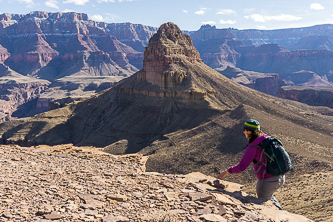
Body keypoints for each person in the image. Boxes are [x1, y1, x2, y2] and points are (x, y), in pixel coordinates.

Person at [217, 119, 285, 210]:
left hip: (268, 180)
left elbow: (241, 167)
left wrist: (227, 171)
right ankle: (281, 211)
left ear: (249, 131)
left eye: (245, 130)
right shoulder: (266, 139)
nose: (243, 132)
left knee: (264, 201)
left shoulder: (253, 147)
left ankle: (280, 216)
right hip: (280, 176)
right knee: (269, 197)